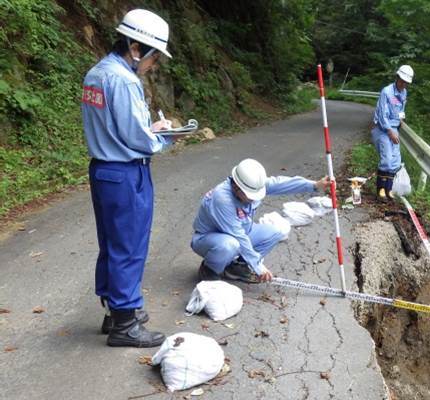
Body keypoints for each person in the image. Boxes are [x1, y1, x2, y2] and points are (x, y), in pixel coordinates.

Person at [81, 9, 176, 348]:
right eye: (153, 57)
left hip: (103, 169)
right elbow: (137, 137)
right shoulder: (123, 80)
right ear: (136, 48)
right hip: (125, 172)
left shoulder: (96, 73)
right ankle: (125, 324)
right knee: (130, 246)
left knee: (112, 243)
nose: (154, 65)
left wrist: (147, 131)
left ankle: (116, 311)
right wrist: (165, 135)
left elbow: (115, 126)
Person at [191, 159, 330, 283]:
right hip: (209, 239)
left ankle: (237, 268)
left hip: (244, 232)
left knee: (276, 232)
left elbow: (281, 183)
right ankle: (209, 271)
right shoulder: (222, 199)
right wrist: (258, 267)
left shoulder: (253, 184)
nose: (253, 199)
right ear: (236, 187)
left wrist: (314, 185)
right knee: (229, 245)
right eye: (250, 196)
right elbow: (237, 236)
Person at [371, 65, 414, 201]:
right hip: (383, 129)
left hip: (394, 128)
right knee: (387, 160)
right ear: (397, 77)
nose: (403, 84)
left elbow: (401, 109)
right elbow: (382, 115)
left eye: (406, 82)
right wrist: (390, 131)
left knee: (395, 161)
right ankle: (380, 190)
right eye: (402, 81)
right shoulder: (387, 92)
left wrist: (401, 119)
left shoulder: (404, 93)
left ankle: (389, 190)